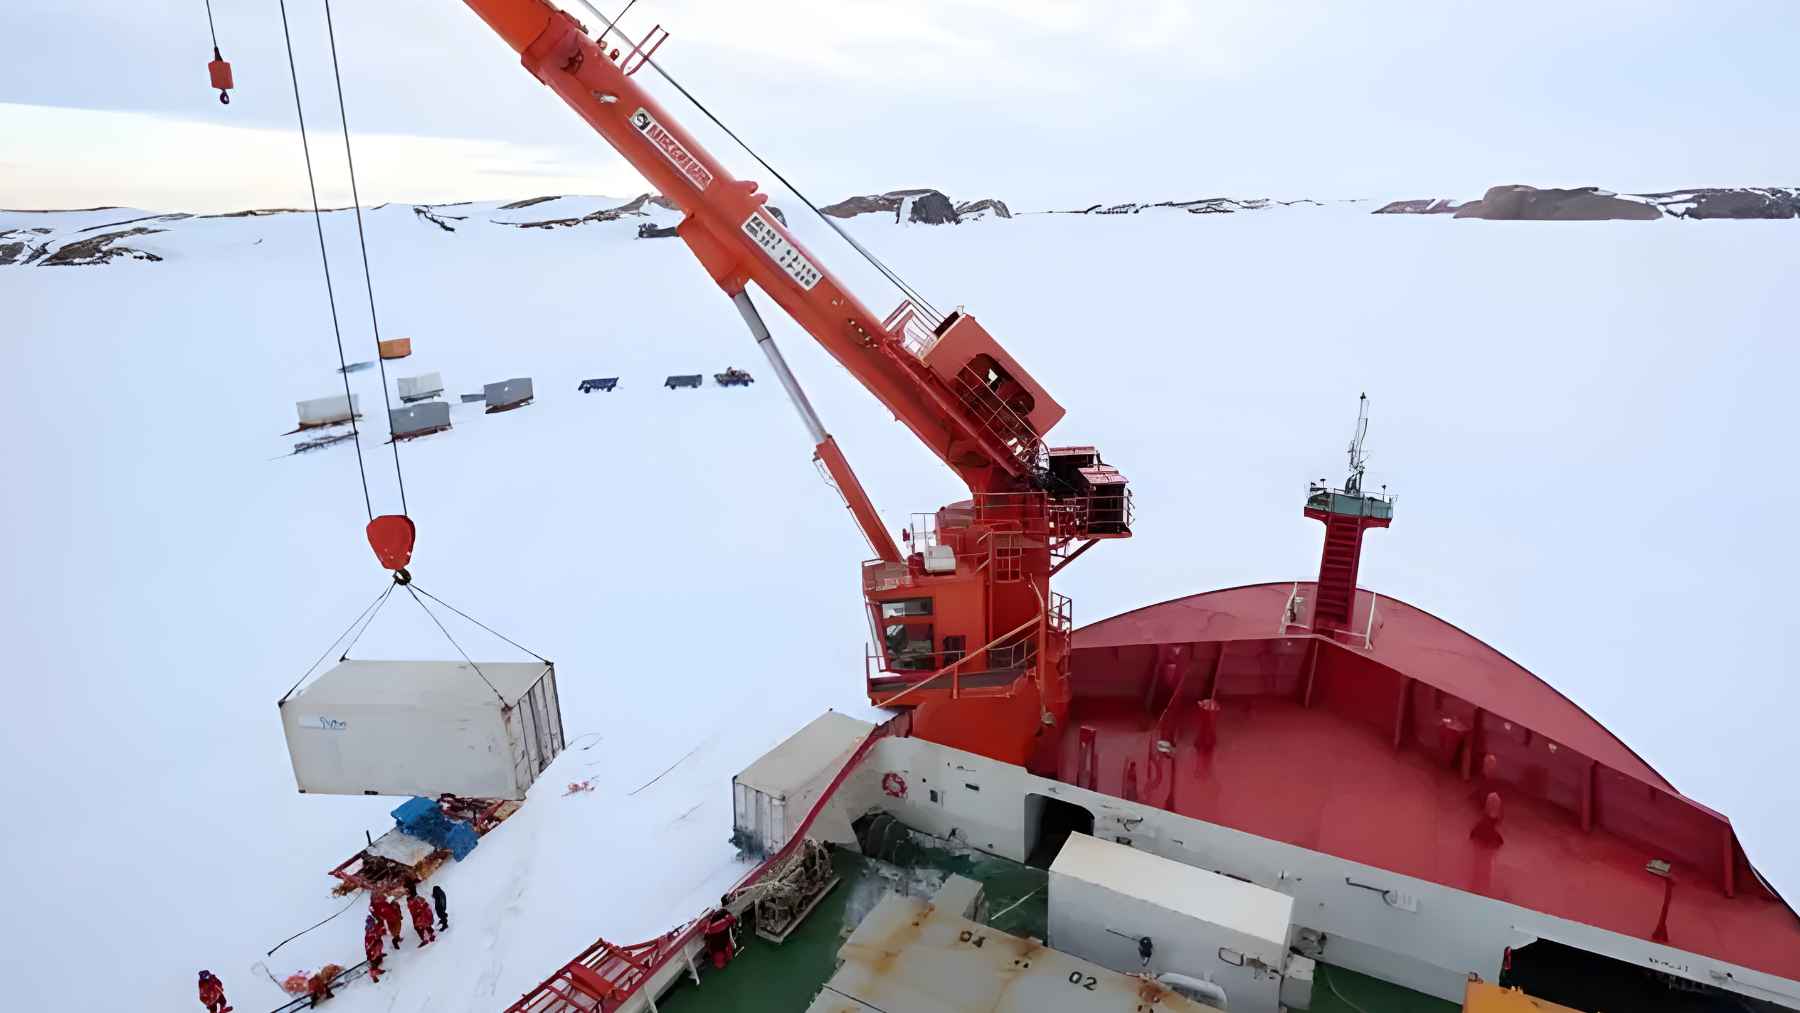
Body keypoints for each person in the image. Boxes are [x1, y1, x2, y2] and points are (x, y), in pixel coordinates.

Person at [363, 914, 386, 984]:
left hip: (377, 946)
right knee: (374, 961)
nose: (371, 924)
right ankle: (374, 974)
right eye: (370, 923)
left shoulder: (374, 927)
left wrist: (381, 932)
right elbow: (368, 945)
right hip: (372, 950)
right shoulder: (368, 934)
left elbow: (379, 930)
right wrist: (372, 952)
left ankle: (379, 957)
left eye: (372, 922)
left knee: (379, 958)